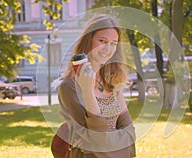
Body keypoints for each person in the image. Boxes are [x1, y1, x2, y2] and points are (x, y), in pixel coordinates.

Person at [51, 14, 136, 158]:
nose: (108, 49)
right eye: (102, 41)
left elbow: (130, 134)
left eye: (113, 43)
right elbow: (98, 139)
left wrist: (108, 142)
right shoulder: (69, 86)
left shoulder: (111, 81)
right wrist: (88, 90)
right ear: (89, 40)